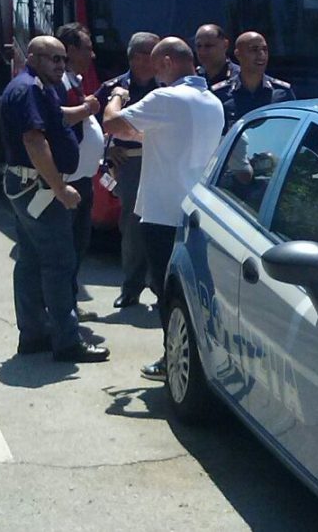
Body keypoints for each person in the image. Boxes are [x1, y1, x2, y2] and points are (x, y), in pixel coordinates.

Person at [102, 37, 224, 381]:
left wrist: (116, 98)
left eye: (157, 67)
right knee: (191, 292)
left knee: (166, 293)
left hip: (162, 214)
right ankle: (191, 358)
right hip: (195, 211)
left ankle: (174, 360)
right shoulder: (210, 100)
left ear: (169, 62)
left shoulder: (167, 98)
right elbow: (165, 137)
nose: (155, 75)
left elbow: (112, 123)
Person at [0, 35, 109, 363]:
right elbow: (35, 141)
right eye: (52, 58)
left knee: (32, 260)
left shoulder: (39, 88)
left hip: (30, 187)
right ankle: (66, 342)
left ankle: (33, 334)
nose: (60, 65)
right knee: (59, 263)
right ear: (31, 57)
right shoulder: (29, 88)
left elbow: (57, 119)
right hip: (39, 190)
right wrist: (60, 190)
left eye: (63, 59)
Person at [95, 32, 161, 310]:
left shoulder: (167, 88)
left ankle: (162, 289)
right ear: (134, 57)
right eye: (149, 53)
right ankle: (131, 288)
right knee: (133, 228)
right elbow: (91, 124)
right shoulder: (114, 88)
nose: (156, 59)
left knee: (164, 225)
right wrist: (105, 151)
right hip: (130, 163)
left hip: (163, 161)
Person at [56, 22, 104, 321]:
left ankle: (69, 304)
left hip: (83, 180)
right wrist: (88, 109)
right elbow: (57, 119)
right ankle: (62, 311)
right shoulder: (59, 82)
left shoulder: (74, 79)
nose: (93, 54)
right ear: (71, 50)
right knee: (65, 250)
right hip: (69, 182)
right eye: (87, 47)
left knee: (77, 247)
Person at [218, 31, 295, 132]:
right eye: (254, 50)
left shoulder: (283, 92)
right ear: (238, 54)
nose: (261, 55)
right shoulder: (220, 94)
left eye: (265, 49)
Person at [194, 24, 240, 104]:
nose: (202, 51)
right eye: (199, 46)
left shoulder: (241, 78)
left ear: (225, 45)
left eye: (208, 46)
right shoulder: (194, 79)